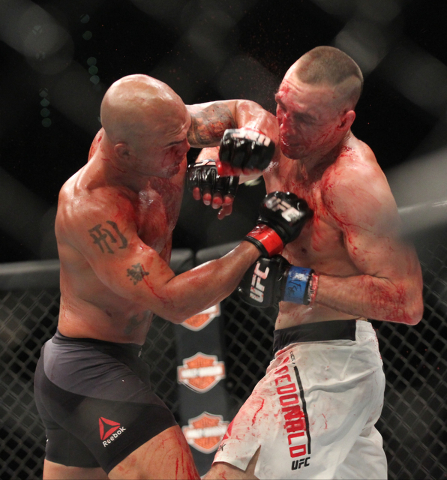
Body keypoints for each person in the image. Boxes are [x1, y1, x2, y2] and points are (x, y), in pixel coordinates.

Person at [33, 74, 311, 480]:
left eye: (185, 138)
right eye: (172, 147)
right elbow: (174, 301)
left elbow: (245, 112)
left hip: (108, 366)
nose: (184, 150)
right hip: (88, 371)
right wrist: (263, 238)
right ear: (124, 152)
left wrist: (224, 153)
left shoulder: (162, 132)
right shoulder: (91, 207)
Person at [190, 46, 424, 479]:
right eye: (282, 106)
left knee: (230, 474)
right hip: (311, 355)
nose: (285, 125)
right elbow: (193, 123)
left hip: (332, 360)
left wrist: (294, 283)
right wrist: (211, 163)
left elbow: (405, 301)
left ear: (343, 121)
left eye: (304, 118)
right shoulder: (278, 136)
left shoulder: (353, 182)